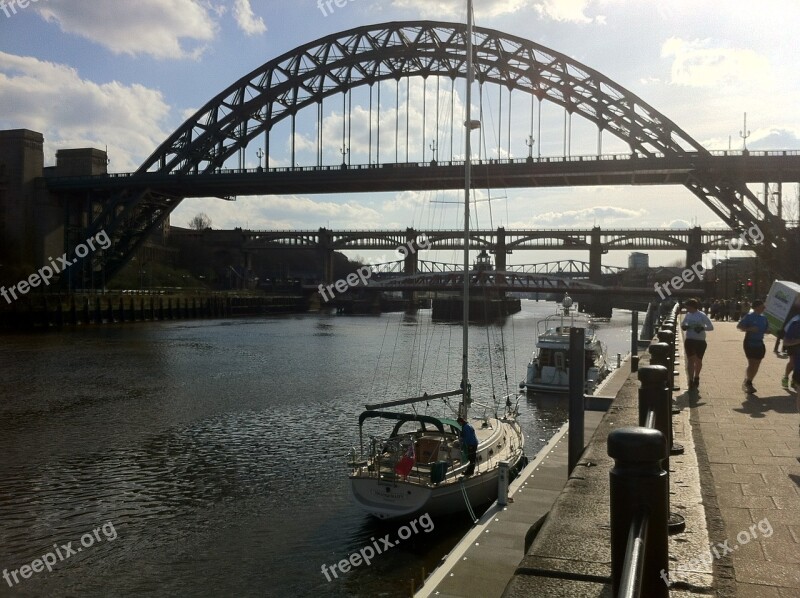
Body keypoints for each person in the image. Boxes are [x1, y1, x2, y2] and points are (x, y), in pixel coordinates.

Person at [737, 299, 769, 393]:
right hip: (750, 342)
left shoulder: (764, 318)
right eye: (762, 306)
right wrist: (749, 329)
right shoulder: (749, 316)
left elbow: (767, 329)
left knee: (757, 363)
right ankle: (749, 383)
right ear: (757, 307)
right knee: (752, 362)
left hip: (760, 342)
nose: (764, 308)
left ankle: (748, 379)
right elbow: (739, 326)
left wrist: (767, 331)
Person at [681, 298, 714, 388]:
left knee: (698, 361)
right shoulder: (688, 315)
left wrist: (702, 328)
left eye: (688, 307)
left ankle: (697, 376)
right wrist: (684, 326)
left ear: (693, 307)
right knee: (691, 360)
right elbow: (683, 324)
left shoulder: (702, 315)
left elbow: (711, 327)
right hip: (689, 339)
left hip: (700, 341)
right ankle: (691, 380)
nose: (686, 309)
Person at [782, 310, 800, 387]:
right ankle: (786, 377)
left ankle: (794, 380)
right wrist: (796, 341)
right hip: (793, 344)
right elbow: (786, 340)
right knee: (792, 362)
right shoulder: (796, 321)